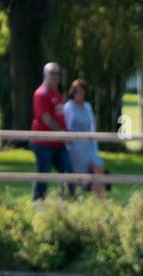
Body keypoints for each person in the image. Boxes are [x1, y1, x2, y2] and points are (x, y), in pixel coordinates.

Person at [30, 61, 71, 201]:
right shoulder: (41, 94)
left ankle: (67, 203)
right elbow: (46, 119)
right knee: (43, 174)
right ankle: (38, 203)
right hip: (43, 143)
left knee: (68, 172)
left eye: (57, 73)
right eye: (52, 73)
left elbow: (59, 117)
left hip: (57, 143)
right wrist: (62, 133)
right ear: (45, 74)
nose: (55, 77)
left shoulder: (56, 94)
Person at [62, 79, 105, 197]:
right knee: (75, 177)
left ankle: (100, 201)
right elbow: (66, 126)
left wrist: (94, 144)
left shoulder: (87, 107)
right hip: (74, 147)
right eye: (77, 92)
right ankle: (70, 198)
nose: (80, 94)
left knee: (99, 167)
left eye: (82, 92)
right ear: (73, 92)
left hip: (88, 146)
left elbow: (92, 127)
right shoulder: (68, 107)